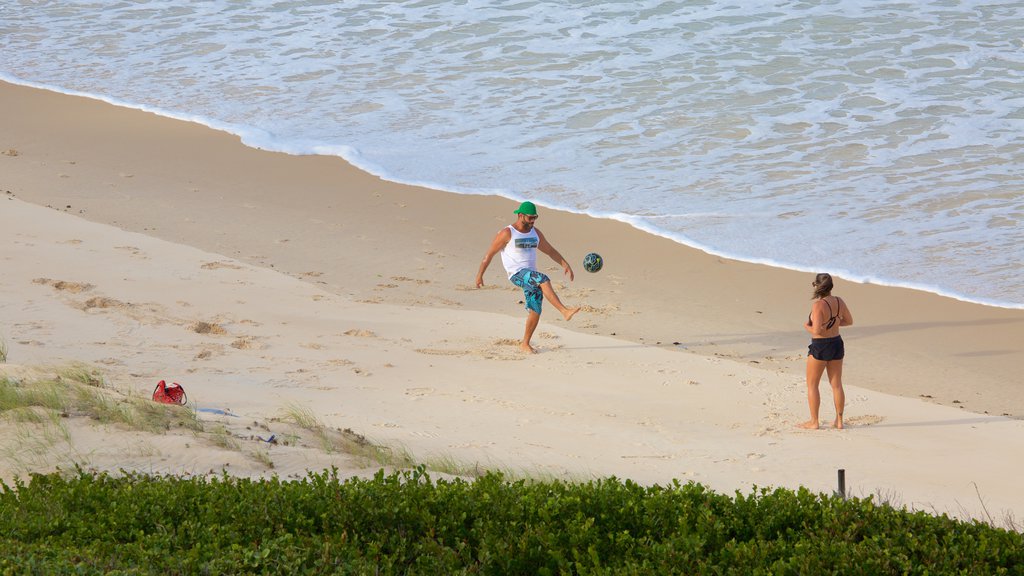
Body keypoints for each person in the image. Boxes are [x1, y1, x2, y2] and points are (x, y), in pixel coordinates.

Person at [476, 201, 581, 353]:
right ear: (520, 215)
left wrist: (565, 264)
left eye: (535, 217)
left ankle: (525, 343)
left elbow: (550, 250)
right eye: (530, 217)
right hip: (516, 274)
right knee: (543, 279)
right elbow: (489, 255)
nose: (533, 221)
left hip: (531, 276)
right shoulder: (507, 233)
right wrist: (480, 275)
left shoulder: (535, 233)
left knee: (535, 308)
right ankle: (564, 311)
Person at [799, 272, 854, 430]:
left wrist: (806, 326)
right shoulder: (839, 301)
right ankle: (839, 421)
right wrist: (834, 324)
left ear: (816, 286)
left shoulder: (818, 306)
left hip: (820, 346)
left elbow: (817, 331)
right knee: (836, 384)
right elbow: (849, 321)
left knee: (812, 385)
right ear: (831, 287)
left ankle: (814, 422)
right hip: (837, 343)